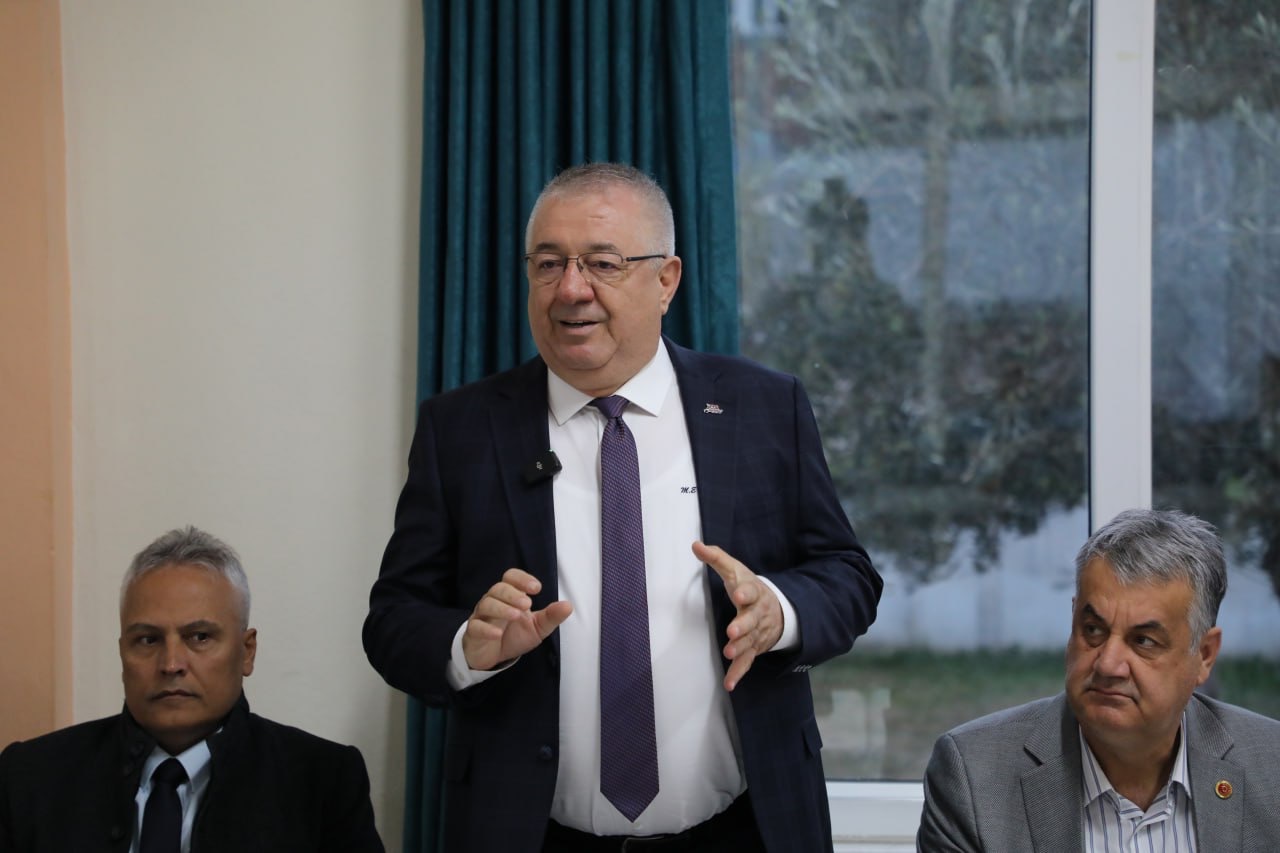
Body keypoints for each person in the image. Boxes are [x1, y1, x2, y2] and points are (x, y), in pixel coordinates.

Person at [363, 162, 882, 852]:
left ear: (666, 280)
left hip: (744, 829)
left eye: (602, 264)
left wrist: (777, 612)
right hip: (531, 835)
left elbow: (848, 575)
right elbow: (393, 620)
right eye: (548, 264)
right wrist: (468, 647)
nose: (570, 289)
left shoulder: (761, 406)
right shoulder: (461, 428)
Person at [0, 526, 385, 852]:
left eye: (199, 637)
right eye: (147, 640)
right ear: (122, 653)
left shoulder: (323, 782)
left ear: (247, 651)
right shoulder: (29, 779)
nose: (171, 664)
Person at [917, 508, 1280, 852]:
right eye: (1093, 630)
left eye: (1143, 641)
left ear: (1204, 655)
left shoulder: (1272, 767)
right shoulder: (975, 778)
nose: (1108, 664)